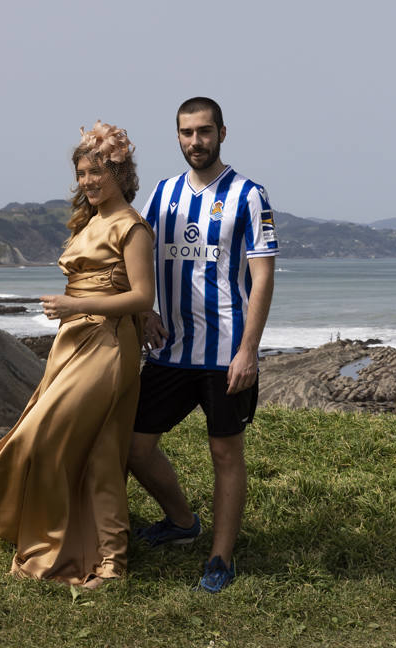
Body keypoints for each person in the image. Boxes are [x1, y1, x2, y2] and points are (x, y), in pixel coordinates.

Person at [0, 122, 155, 587]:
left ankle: (106, 561)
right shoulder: (91, 220)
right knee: (89, 449)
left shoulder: (132, 226)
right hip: (73, 343)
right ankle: (99, 552)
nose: (88, 181)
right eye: (82, 173)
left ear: (119, 172)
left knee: (55, 438)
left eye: (97, 171)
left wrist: (78, 305)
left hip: (107, 346)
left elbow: (142, 298)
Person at [127, 97, 278, 594]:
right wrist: (143, 311)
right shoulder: (161, 194)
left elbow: (262, 279)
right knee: (134, 445)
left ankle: (220, 557)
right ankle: (181, 521)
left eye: (205, 132)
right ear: (177, 136)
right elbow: (137, 254)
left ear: (222, 133)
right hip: (168, 350)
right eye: (187, 133)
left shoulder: (250, 196)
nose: (197, 141)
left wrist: (248, 351)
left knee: (224, 453)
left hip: (225, 354)